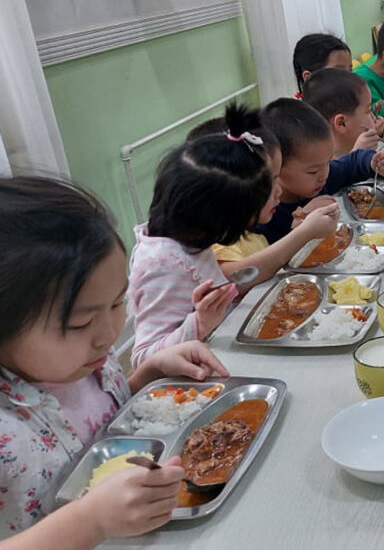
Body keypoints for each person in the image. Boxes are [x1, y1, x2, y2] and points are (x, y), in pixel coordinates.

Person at [0, 177, 228, 545]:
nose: (109, 335)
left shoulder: (87, 362)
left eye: (118, 303)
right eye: (80, 323)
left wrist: (146, 376)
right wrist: (89, 521)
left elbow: (105, 426)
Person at [129, 111, 274, 367]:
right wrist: (199, 323)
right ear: (219, 220)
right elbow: (144, 359)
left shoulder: (192, 238)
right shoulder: (162, 265)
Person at [189, 105, 341, 289]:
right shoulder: (220, 241)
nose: (278, 190)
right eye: (270, 181)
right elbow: (232, 282)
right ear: (232, 189)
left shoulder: (251, 234)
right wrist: (303, 233)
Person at [253, 98, 384, 244]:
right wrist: (301, 223)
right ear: (278, 168)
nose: (324, 175)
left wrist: (374, 162)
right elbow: (272, 258)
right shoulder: (265, 212)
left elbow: (351, 163)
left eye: (328, 162)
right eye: (313, 171)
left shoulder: (322, 177)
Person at [303, 68, 384, 155]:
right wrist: (356, 156)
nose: (373, 117)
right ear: (342, 123)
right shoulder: (321, 165)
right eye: (368, 111)